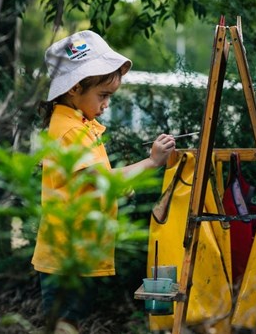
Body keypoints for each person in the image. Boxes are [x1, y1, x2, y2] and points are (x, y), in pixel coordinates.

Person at [31, 30, 176, 334]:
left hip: (77, 253)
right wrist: (151, 162)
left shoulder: (79, 125)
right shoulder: (71, 131)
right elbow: (103, 179)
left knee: (69, 321)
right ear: (74, 88)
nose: (107, 104)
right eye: (103, 95)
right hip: (67, 256)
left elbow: (89, 181)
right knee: (64, 324)